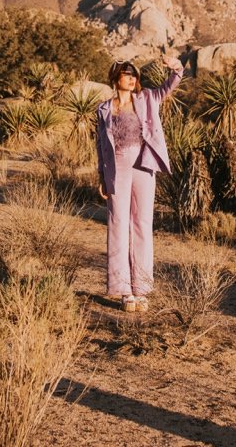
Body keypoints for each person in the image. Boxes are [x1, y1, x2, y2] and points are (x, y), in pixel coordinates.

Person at [96, 54, 184, 311]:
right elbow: (101, 145)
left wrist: (176, 66)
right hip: (117, 169)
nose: (132, 77)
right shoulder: (104, 108)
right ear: (116, 78)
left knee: (142, 224)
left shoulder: (147, 99)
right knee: (118, 224)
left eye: (135, 74)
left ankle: (142, 288)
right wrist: (101, 176)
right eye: (127, 73)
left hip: (143, 166)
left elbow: (172, 83)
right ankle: (124, 290)